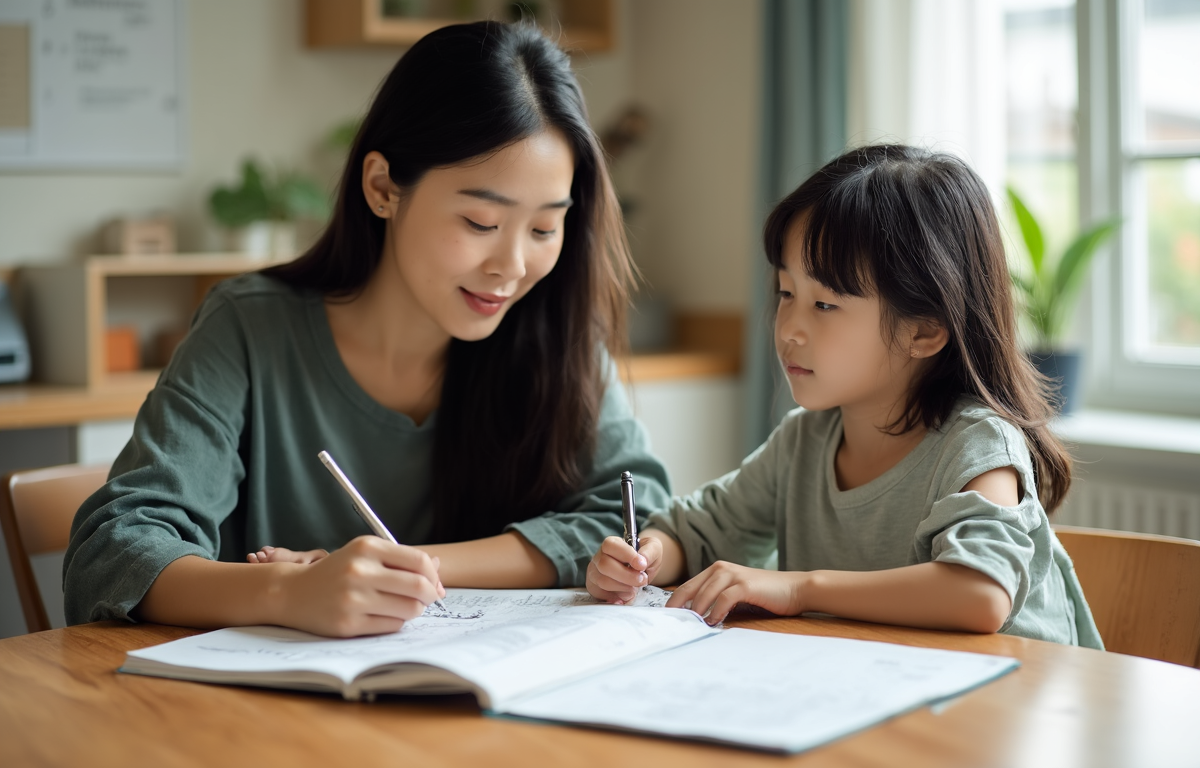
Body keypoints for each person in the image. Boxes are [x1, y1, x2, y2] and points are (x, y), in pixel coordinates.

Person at [64, 21, 670, 638]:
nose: (512, 268)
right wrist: (287, 592)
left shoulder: (553, 330)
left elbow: (640, 517)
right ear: (383, 188)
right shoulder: (249, 328)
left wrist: (411, 570)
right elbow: (113, 553)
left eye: (544, 229)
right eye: (481, 221)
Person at [586, 144, 1102, 647]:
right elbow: (697, 530)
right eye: (786, 293)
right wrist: (645, 557)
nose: (789, 328)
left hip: (1014, 708)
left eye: (826, 304)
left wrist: (798, 588)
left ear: (923, 331)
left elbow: (979, 592)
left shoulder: (979, 444)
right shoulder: (804, 443)